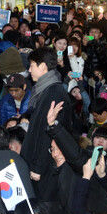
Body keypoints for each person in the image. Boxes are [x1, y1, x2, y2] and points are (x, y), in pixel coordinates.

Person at [20, 47, 73, 203]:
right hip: (41, 164)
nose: (29, 70)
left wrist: (37, 167)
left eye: (32, 65)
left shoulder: (54, 93)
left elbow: (48, 134)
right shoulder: (47, 89)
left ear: (43, 66)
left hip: (45, 167)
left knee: (43, 207)